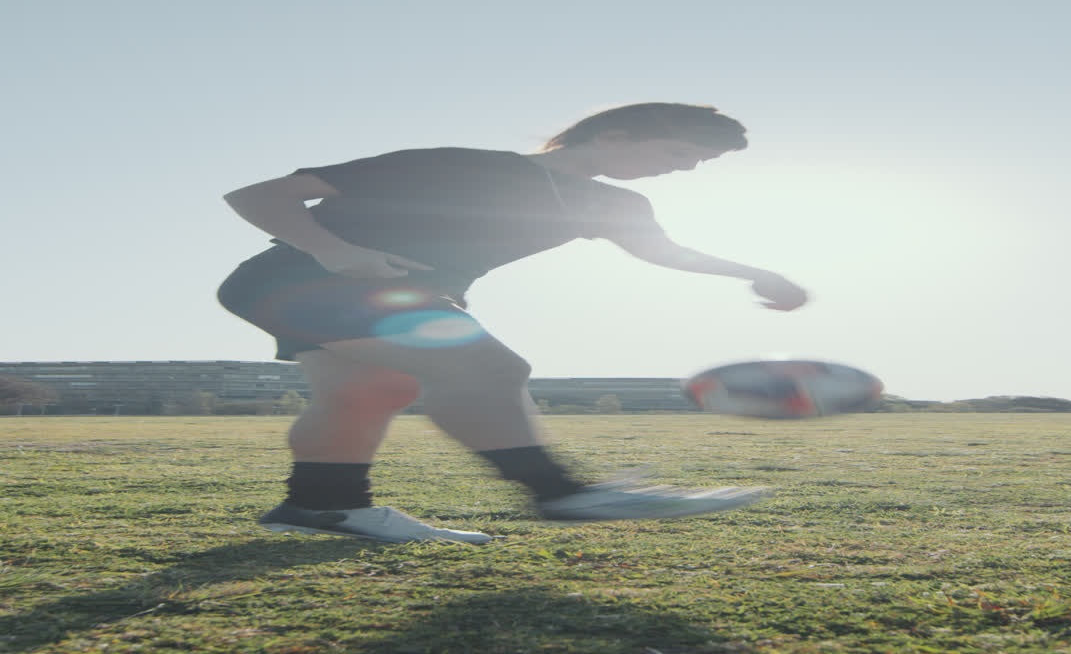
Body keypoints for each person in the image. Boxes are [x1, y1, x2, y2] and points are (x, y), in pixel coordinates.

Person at [217, 103, 809, 544]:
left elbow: (666, 253)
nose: (681, 169)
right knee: (487, 367)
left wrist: (755, 272)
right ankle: (559, 492)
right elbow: (259, 196)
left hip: (383, 295)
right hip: (300, 280)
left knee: (370, 391)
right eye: (675, 154)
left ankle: (324, 505)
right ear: (614, 135)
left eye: (696, 163)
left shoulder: (615, 205)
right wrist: (335, 251)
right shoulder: (456, 164)